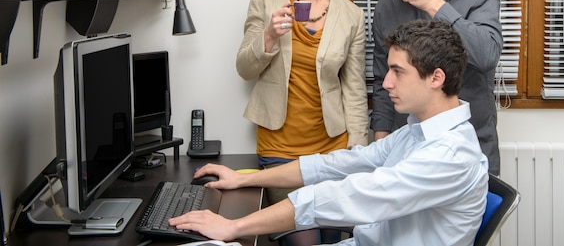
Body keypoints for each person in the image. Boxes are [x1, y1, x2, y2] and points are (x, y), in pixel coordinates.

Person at [170, 20, 488, 246]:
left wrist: (233, 226)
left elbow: (346, 195)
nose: (387, 83)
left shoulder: (449, 155)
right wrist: (245, 178)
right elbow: (334, 166)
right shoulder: (416, 132)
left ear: (436, 78)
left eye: (398, 72)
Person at [234, 0, 369, 245]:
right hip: (280, 150)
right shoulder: (265, 2)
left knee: (337, 240)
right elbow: (244, 68)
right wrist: (267, 37)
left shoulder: (351, 16)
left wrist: (358, 152)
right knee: (302, 240)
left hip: (334, 151)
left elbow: (354, 89)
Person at [370, 0, 503, 175]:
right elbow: (383, 78)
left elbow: (487, 54)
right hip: (406, 147)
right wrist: (381, 143)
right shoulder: (387, 6)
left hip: (469, 149)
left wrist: (434, 4)